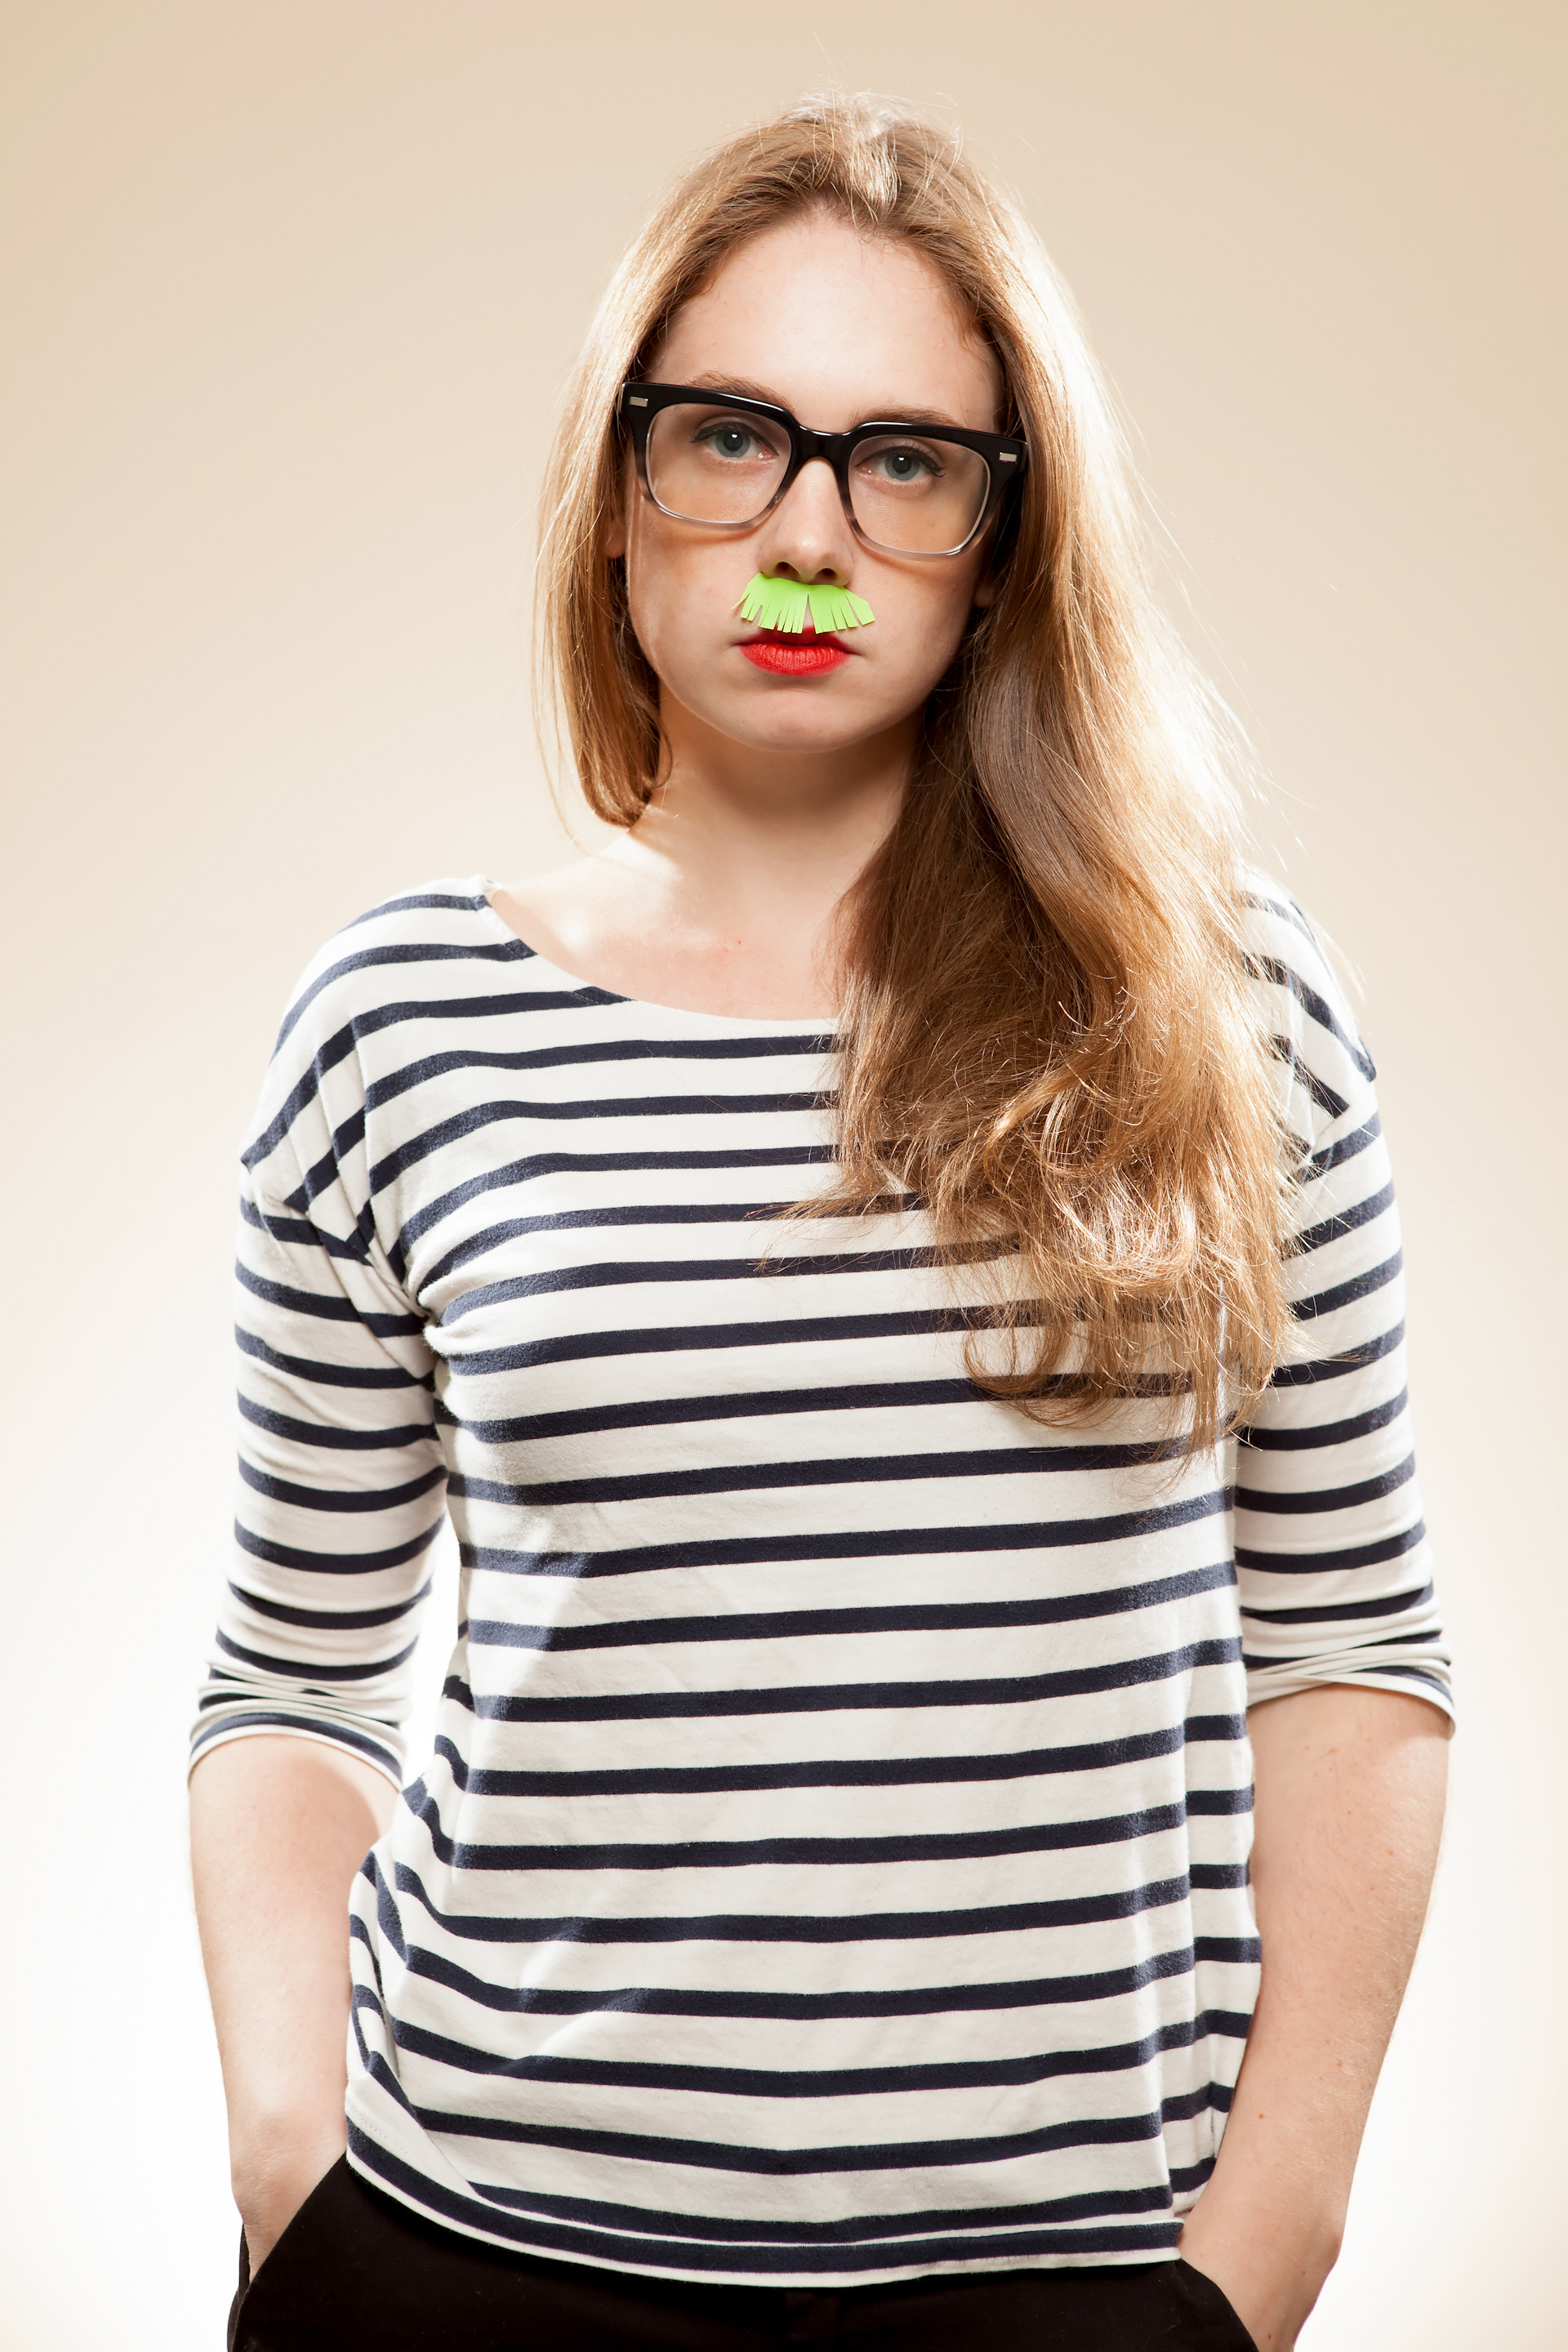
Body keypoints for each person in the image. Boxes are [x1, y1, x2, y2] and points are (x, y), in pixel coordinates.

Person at [189, 94, 1451, 2352]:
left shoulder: (1229, 1009)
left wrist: (1259, 2260)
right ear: (616, 494)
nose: (807, 533)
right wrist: (297, 2172)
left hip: (1073, 2290)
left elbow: (1351, 1654)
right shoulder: (394, 1024)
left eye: (904, 461)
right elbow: (293, 1679)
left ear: (999, 539)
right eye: (731, 437)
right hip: (476, 2269)